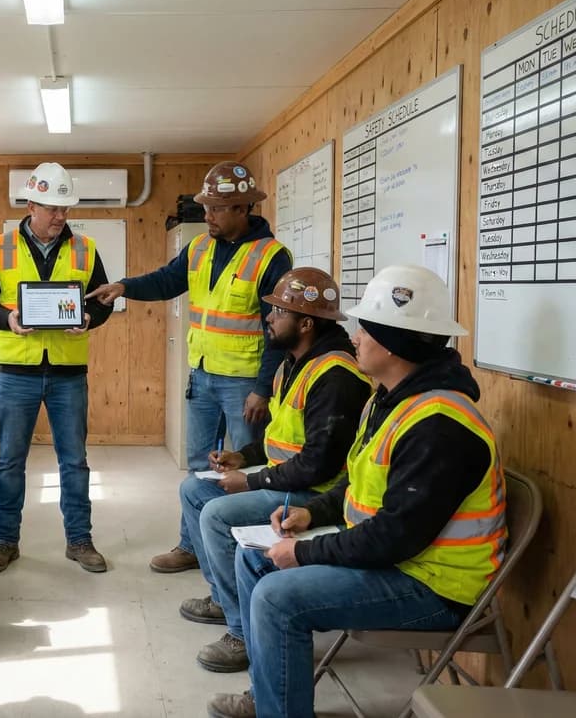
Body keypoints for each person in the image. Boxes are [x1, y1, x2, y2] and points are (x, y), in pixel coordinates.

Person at [208, 265, 507, 718]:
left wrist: (305, 552)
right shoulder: (389, 399)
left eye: (365, 329)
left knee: (276, 598)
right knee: (254, 559)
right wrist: (313, 514)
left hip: (432, 587)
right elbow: (355, 480)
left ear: (392, 343)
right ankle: (269, 693)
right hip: (394, 561)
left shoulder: (440, 426)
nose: (355, 338)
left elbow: (394, 536)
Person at [87, 160, 292, 574]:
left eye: (216, 208)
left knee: (247, 467)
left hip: (245, 383)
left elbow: (278, 328)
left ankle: (245, 556)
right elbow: (166, 280)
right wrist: (124, 286)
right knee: (199, 465)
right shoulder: (199, 247)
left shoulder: (271, 256)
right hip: (201, 375)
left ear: (242, 208)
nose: (207, 215)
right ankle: (192, 546)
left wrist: (263, 388)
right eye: (206, 207)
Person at [186, 267, 370, 674]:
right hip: (287, 478)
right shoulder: (293, 363)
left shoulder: (336, 376)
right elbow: (279, 438)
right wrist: (243, 457)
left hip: (314, 494)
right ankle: (225, 600)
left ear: (306, 324)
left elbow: (318, 463)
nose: (268, 317)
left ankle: (241, 633)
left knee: (216, 514)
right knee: (194, 490)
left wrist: (251, 480)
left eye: (279, 312)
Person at [0, 162, 114, 573]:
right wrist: (8, 319)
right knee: (10, 462)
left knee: (75, 462)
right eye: (53, 208)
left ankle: (79, 540)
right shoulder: (0, 247)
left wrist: (89, 318)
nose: (60, 216)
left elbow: (104, 301)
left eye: (65, 208)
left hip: (68, 374)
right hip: (17, 372)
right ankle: (5, 541)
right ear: (31, 206)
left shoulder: (85, 249)